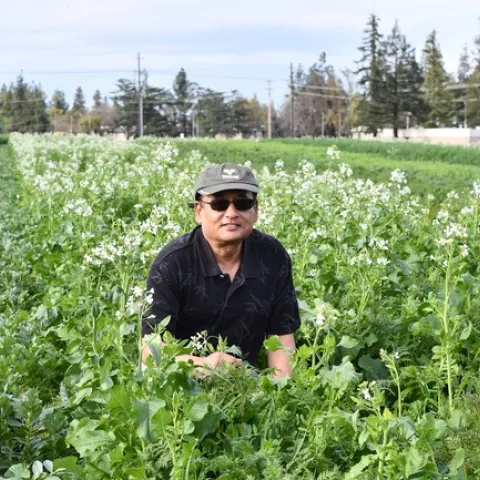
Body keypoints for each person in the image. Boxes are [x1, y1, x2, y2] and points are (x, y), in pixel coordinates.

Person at [142, 162, 300, 377]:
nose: (232, 213)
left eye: (243, 203)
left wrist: (280, 395)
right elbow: (150, 353)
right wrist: (204, 365)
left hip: (247, 386)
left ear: (255, 210)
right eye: (219, 204)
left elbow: (282, 341)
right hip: (180, 390)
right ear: (198, 210)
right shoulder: (172, 263)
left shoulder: (273, 256)